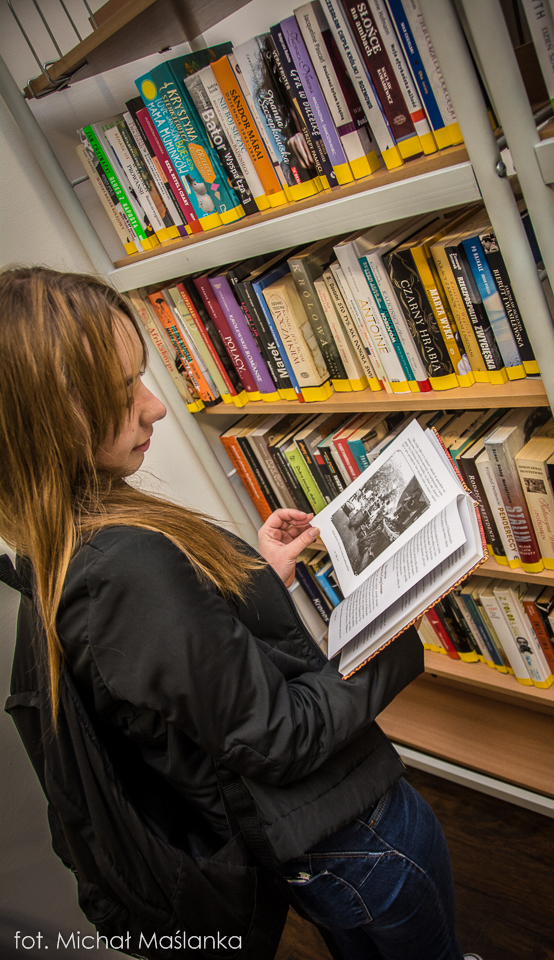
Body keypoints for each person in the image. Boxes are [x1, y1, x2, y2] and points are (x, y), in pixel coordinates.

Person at [1, 267, 476, 960]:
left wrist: (253, 577)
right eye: (121, 392)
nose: (154, 407)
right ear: (47, 421)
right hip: (356, 832)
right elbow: (277, 737)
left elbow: (175, 677)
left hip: (312, 843)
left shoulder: (61, 546)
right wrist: (393, 631)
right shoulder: (120, 568)